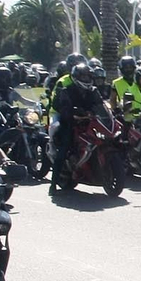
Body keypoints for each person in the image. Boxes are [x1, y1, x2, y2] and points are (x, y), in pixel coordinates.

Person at [49, 62, 100, 194]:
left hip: (88, 122)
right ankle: (53, 184)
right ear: (76, 78)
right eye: (83, 77)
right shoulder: (67, 91)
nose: (86, 80)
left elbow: (100, 105)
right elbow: (64, 108)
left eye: (88, 77)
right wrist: (73, 113)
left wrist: (101, 112)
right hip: (70, 122)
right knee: (64, 146)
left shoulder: (93, 91)